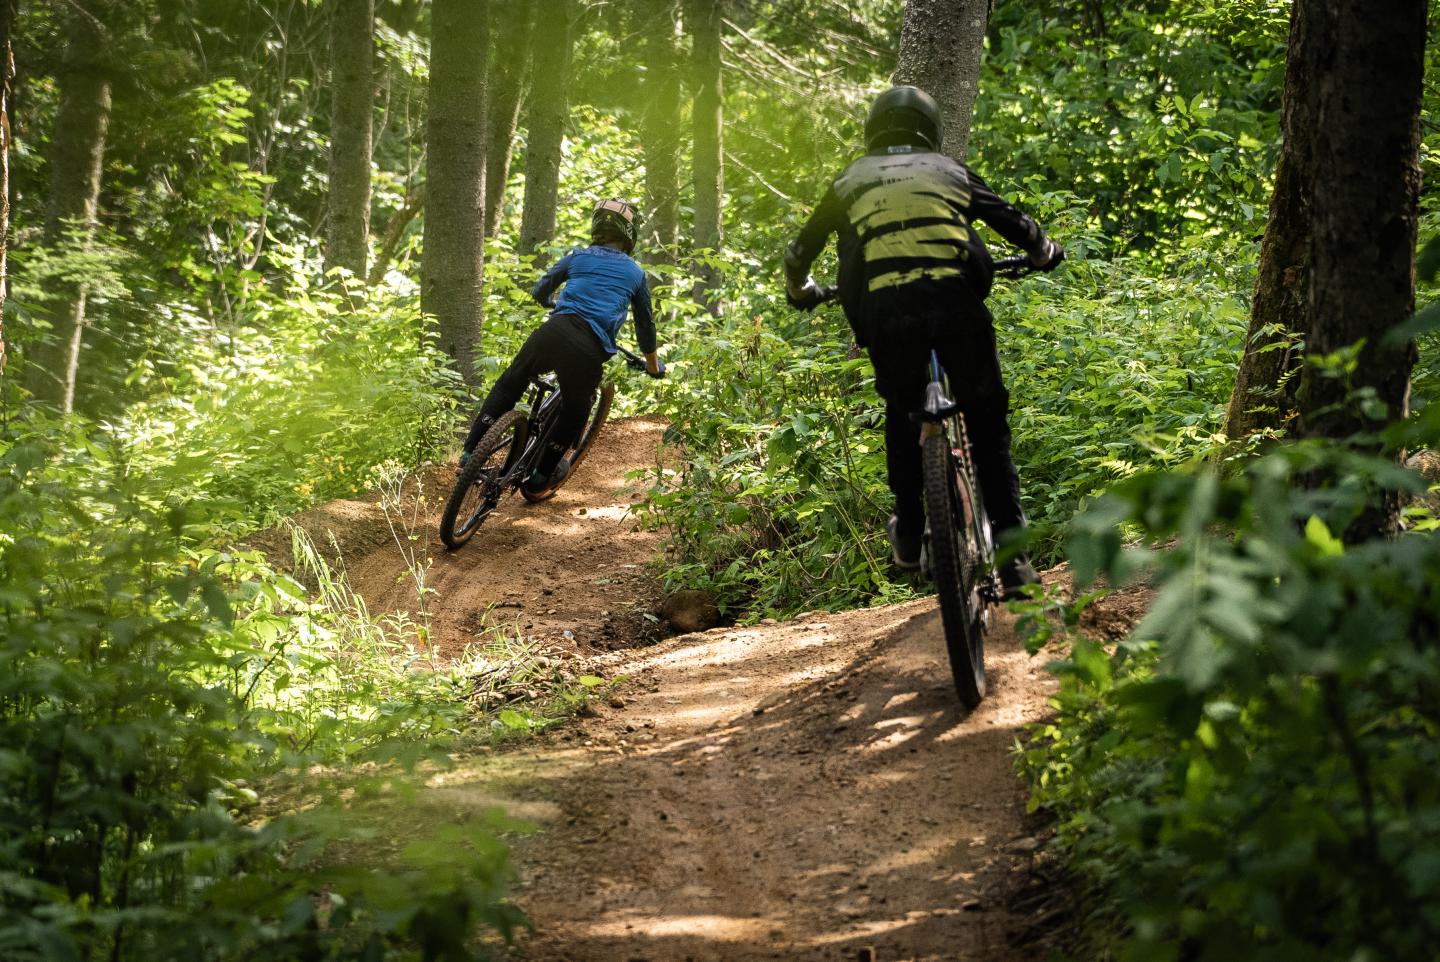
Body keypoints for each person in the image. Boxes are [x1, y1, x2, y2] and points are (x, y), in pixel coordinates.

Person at [782, 85, 1064, 596]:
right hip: (957, 307)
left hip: (888, 317)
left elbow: (800, 250)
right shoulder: (948, 171)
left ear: (873, 129)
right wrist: (1044, 250)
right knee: (987, 427)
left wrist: (801, 290)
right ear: (930, 129)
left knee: (902, 414)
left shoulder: (851, 179)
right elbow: (1014, 223)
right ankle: (1015, 557)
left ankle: (910, 532)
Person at [461, 198, 664, 493]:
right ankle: (541, 476)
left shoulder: (578, 257)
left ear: (597, 227)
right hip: (587, 348)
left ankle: (470, 452)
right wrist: (653, 366)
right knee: (576, 410)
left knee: (510, 383)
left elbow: (541, 288)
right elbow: (645, 325)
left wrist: (550, 303)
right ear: (630, 234)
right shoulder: (634, 273)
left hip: (551, 332)